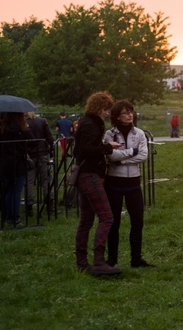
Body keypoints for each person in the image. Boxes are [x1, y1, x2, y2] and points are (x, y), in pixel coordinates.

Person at [74, 91, 130, 275]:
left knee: (86, 220)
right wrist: (108, 148)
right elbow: (85, 150)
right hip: (89, 175)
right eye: (106, 109)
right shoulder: (90, 124)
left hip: (86, 175)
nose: (107, 113)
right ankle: (98, 261)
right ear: (98, 108)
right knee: (107, 217)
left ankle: (82, 262)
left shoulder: (88, 122)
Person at [103, 100, 154, 268]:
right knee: (114, 222)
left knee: (137, 221)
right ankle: (112, 259)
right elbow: (111, 156)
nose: (130, 115)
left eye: (131, 111)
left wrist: (123, 161)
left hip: (133, 182)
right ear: (117, 116)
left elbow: (144, 156)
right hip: (114, 182)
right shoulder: (110, 134)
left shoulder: (139, 134)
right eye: (125, 112)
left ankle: (136, 259)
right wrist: (131, 152)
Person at [0, 112, 33, 226]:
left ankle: (8, 217)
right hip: (19, 162)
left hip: (6, 162)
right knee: (17, 191)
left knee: (8, 191)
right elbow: (32, 140)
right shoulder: (22, 129)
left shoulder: (3, 128)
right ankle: (15, 218)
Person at [25, 112, 54, 217]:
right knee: (46, 178)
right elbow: (49, 136)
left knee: (29, 180)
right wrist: (51, 150)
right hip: (42, 152)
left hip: (29, 154)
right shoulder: (42, 121)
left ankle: (29, 206)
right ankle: (49, 204)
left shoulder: (23, 122)